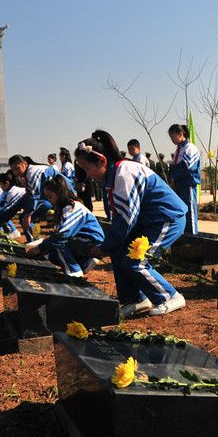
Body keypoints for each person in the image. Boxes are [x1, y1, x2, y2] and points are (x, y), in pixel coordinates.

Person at [74, 130, 187, 317]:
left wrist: (104, 246)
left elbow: (126, 219)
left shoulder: (124, 174)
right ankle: (135, 300)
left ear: (102, 161)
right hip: (150, 223)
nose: (88, 175)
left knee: (136, 261)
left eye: (87, 169)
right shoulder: (113, 176)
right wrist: (110, 245)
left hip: (167, 219)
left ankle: (170, 296)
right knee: (120, 251)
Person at [26, 176, 103, 277]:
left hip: (92, 241)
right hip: (80, 240)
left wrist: (40, 247)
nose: (49, 201)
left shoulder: (72, 207)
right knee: (53, 256)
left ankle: (74, 273)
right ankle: (85, 263)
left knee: (59, 242)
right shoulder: (63, 209)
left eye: (50, 197)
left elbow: (63, 235)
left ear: (59, 193)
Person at [8, 154, 73, 241]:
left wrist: (28, 214)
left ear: (25, 164)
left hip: (65, 193)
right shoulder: (28, 174)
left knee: (65, 223)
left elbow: (34, 196)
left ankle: (36, 242)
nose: (16, 172)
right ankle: (34, 241)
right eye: (13, 170)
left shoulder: (32, 173)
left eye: (17, 168)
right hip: (55, 197)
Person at [168, 124, 201, 235]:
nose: (172, 140)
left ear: (180, 134)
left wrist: (173, 175)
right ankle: (184, 234)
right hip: (179, 184)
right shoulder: (178, 149)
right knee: (182, 211)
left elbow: (187, 167)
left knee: (190, 212)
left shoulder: (190, 148)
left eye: (173, 136)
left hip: (188, 184)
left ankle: (192, 234)